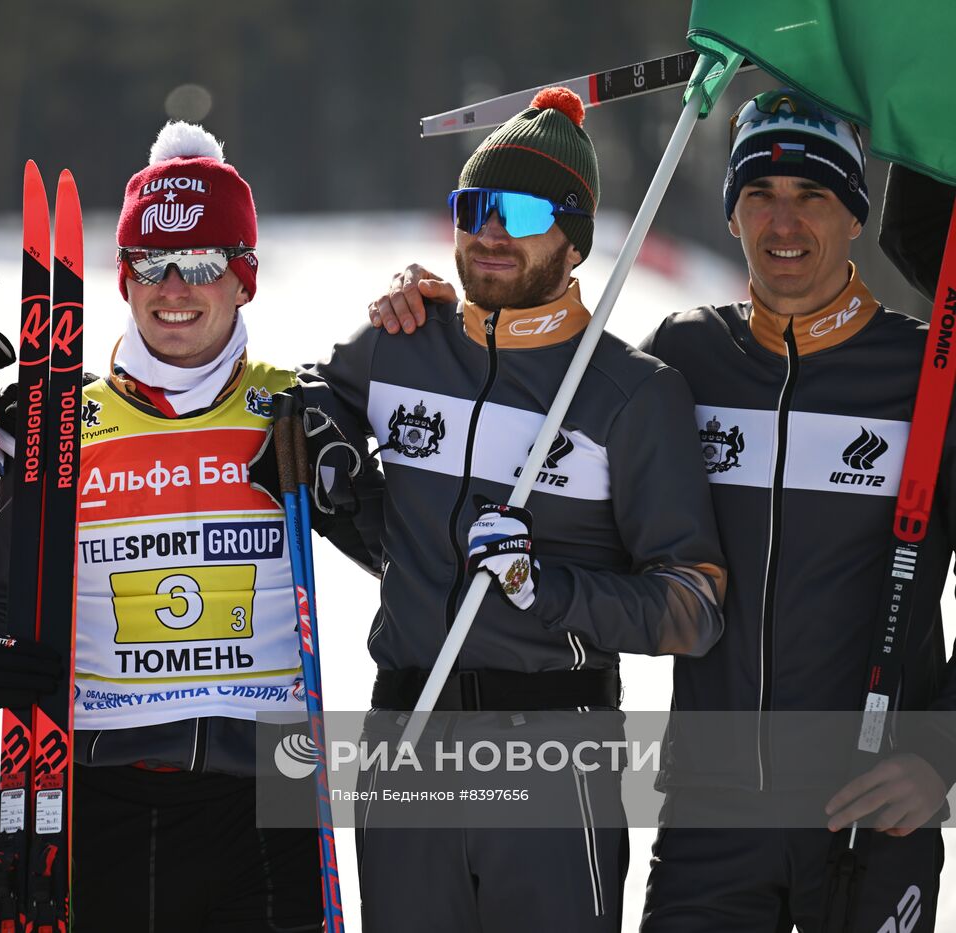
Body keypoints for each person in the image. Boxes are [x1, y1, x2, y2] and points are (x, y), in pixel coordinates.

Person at [366, 89, 956, 932]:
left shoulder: (925, 373)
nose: (783, 224)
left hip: (871, 809)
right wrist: (447, 316)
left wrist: (938, 749)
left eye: (812, 197)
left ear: (855, 213)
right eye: (759, 195)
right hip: (708, 816)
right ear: (730, 213)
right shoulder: (685, 357)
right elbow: (550, 400)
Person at [307, 86, 727, 931]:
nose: (490, 231)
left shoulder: (631, 393)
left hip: (551, 747)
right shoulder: (401, 346)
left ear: (573, 240)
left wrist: (549, 586)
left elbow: (695, 607)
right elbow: (310, 423)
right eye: (474, 206)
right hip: (405, 734)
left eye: (523, 210)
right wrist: (324, 443)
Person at [0, 121, 376, 932]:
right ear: (122, 278)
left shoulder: (293, 409)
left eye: (204, 263)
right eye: (151, 262)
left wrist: (364, 494)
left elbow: (407, 563)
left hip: (273, 793)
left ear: (244, 278)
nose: (174, 286)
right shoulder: (61, 420)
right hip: (107, 790)